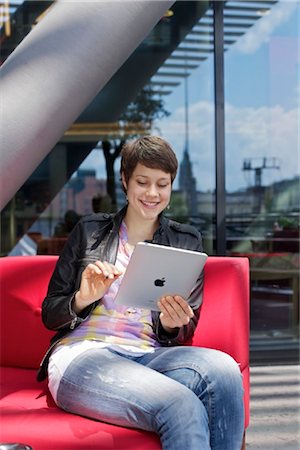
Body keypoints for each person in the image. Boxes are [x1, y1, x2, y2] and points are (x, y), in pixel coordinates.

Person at [38, 136, 244, 450]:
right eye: (143, 182)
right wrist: (83, 297)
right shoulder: (90, 231)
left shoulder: (185, 240)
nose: (152, 193)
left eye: (162, 184)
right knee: (181, 405)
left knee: (225, 372)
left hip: (148, 355)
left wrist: (173, 323)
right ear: (125, 180)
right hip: (83, 355)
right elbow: (51, 314)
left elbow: (182, 327)